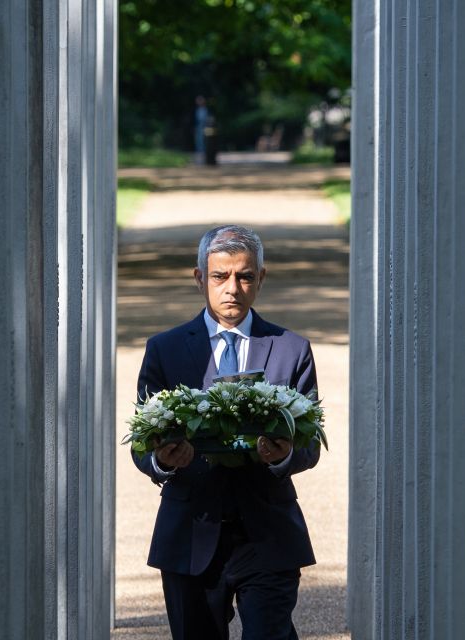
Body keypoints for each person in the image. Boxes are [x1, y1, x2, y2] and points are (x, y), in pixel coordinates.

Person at [132, 225, 320, 639]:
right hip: (190, 532)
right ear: (200, 278)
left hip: (268, 534)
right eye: (220, 276)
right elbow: (142, 442)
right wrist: (161, 460)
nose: (232, 288)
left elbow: (309, 445)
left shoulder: (292, 349)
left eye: (245, 276)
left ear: (261, 278)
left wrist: (284, 454)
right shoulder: (164, 349)